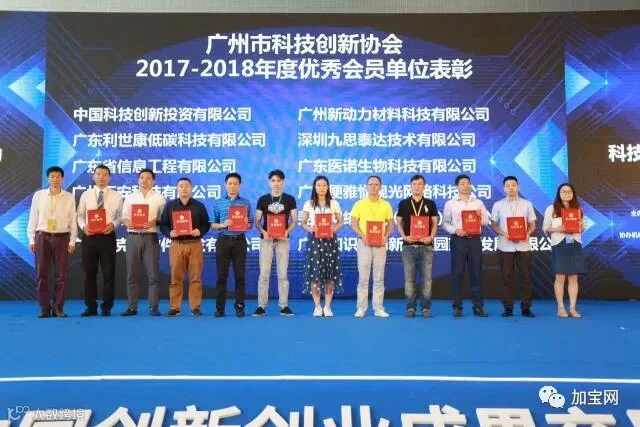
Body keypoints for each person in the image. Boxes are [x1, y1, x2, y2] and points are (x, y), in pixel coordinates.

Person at [27, 166, 77, 318]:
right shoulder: (39, 195)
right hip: (42, 237)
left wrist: (72, 241)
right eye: (52, 176)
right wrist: (31, 238)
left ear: (63, 179)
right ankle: (44, 307)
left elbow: (73, 220)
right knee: (41, 273)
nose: (55, 179)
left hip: (62, 237)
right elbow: (33, 217)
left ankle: (58, 307)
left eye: (58, 176)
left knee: (61, 275)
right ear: (48, 178)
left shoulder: (69, 197)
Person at [159, 177, 210, 317]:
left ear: (191, 188)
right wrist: (169, 232)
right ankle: (175, 307)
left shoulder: (199, 206)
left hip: (194, 244)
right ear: (177, 188)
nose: (184, 188)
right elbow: (163, 225)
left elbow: (206, 224)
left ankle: (195, 307)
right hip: (177, 244)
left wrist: (200, 231)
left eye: (186, 186)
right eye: (181, 186)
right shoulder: (170, 206)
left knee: (195, 277)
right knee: (176, 277)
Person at [77, 164, 122, 317]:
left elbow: (120, 216)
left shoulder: (117, 196)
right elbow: (80, 215)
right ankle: (91, 306)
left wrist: (113, 225)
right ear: (93, 177)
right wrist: (83, 227)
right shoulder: (86, 195)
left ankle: (107, 306)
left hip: (107, 237)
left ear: (110, 178)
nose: (101, 177)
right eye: (98, 174)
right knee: (89, 273)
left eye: (104, 174)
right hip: (89, 237)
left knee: (109, 273)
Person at [442, 174, 490, 317]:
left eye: (468, 183)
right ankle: (457, 307)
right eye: (462, 183)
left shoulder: (478, 203)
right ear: (457, 186)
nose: (465, 186)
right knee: (457, 273)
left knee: (476, 273)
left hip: (474, 240)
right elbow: (445, 223)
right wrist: (455, 230)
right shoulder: (450, 203)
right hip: (458, 240)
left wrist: (481, 216)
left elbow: (486, 222)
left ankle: (478, 307)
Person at [120, 169, 166, 316]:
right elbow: (123, 217)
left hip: (150, 237)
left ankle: (153, 307)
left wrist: (154, 221)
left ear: (153, 181)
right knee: (132, 274)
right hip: (133, 237)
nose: (144, 180)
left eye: (148, 178)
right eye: (141, 177)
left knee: (153, 274)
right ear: (138, 180)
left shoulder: (159, 198)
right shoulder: (130, 197)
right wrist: (127, 222)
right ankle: (132, 307)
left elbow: (164, 219)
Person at [490, 176, 537, 317]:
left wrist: (527, 233)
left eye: (513, 185)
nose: (511, 187)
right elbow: (494, 225)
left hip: (523, 246)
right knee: (506, 278)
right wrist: (504, 234)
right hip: (505, 246)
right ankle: (508, 307)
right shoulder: (498, 205)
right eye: (508, 185)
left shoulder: (527, 204)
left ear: (518, 187)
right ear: (504, 188)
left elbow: (532, 224)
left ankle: (526, 308)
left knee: (526, 278)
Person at [254, 170, 297, 317]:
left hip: (283, 240)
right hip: (266, 239)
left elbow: (294, 221)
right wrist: (263, 231)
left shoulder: (290, 199)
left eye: (279, 180)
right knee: (264, 274)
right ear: (269, 182)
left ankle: (284, 305)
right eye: (273, 180)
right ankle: (261, 306)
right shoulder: (263, 199)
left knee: (283, 274)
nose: (276, 183)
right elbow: (257, 221)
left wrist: (287, 231)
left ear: (283, 182)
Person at [210, 173, 254, 317]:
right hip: (223, 241)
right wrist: (223, 224)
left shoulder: (245, 203)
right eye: (230, 183)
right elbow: (212, 224)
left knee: (240, 276)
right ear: (225, 185)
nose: (232, 186)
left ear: (239, 185)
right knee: (221, 276)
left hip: (239, 241)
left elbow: (250, 224)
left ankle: (239, 307)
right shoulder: (218, 203)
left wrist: (247, 224)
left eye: (235, 183)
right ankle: (220, 308)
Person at [350, 175, 394, 318]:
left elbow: (390, 225)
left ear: (380, 187)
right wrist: (362, 235)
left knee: (379, 277)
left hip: (380, 245)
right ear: (366, 186)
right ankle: (361, 308)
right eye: (370, 184)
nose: (373, 187)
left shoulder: (386, 205)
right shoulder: (359, 204)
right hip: (364, 244)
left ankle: (378, 308)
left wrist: (385, 236)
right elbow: (353, 223)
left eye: (376, 184)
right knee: (363, 277)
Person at [395, 175, 438, 318]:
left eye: (420, 184)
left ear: (424, 186)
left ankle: (425, 308)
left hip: (426, 247)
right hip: (408, 246)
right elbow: (398, 222)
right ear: (410, 186)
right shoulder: (404, 203)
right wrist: (404, 237)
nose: (417, 186)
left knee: (427, 280)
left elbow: (434, 223)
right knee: (409, 280)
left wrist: (431, 237)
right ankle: (411, 307)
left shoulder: (430, 203)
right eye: (414, 184)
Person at [300, 176, 344, 317]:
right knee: (315, 274)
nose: (321, 188)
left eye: (324, 185)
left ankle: (327, 307)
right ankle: (317, 306)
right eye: (319, 185)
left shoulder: (333, 203)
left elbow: (341, 222)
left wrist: (334, 228)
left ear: (328, 187)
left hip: (330, 241)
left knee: (329, 274)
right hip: (314, 241)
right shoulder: (309, 203)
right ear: (314, 187)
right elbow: (303, 223)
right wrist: (311, 229)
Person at [543, 183, 586, 318]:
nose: (566, 194)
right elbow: (546, 228)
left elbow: (583, 228)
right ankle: (560, 307)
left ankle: (572, 308)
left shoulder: (578, 209)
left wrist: (580, 226)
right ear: (559, 194)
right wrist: (558, 229)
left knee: (573, 277)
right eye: (563, 191)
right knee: (560, 276)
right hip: (559, 244)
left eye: (569, 191)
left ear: (573, 194)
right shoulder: (552, 208)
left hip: (575, 244)